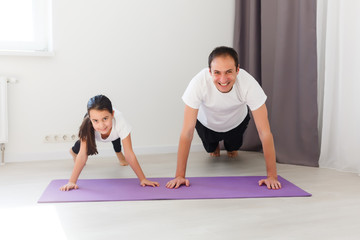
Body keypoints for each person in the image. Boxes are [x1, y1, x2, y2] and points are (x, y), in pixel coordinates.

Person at [166, 46, 281, 190]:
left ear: (237, 70)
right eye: (217, 73)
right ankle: (214, 146)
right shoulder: (198, 83)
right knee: (211, 149)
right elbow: (187, 132)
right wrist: (179, 176)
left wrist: (272, 176)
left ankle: (231, 147)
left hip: (236, 123)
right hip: (207, 124)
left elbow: (264, 132)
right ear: (210, 72)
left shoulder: (248, 84)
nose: (223, 79)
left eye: (228, 72)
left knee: (233, 147)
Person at [60, 95, 159, 191]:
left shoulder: (120, 122)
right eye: (95, 121)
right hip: (93, 133)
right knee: (83, 145)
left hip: (114, 132)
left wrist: (143, 179)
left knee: (115, 137)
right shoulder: (88, 125)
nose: (101, 125)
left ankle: (119, 155)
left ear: (112, 114)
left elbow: (129, 153)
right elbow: (82, 155)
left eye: (105, 119)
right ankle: (73, 151)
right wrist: (72, 182)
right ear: (90, 119)